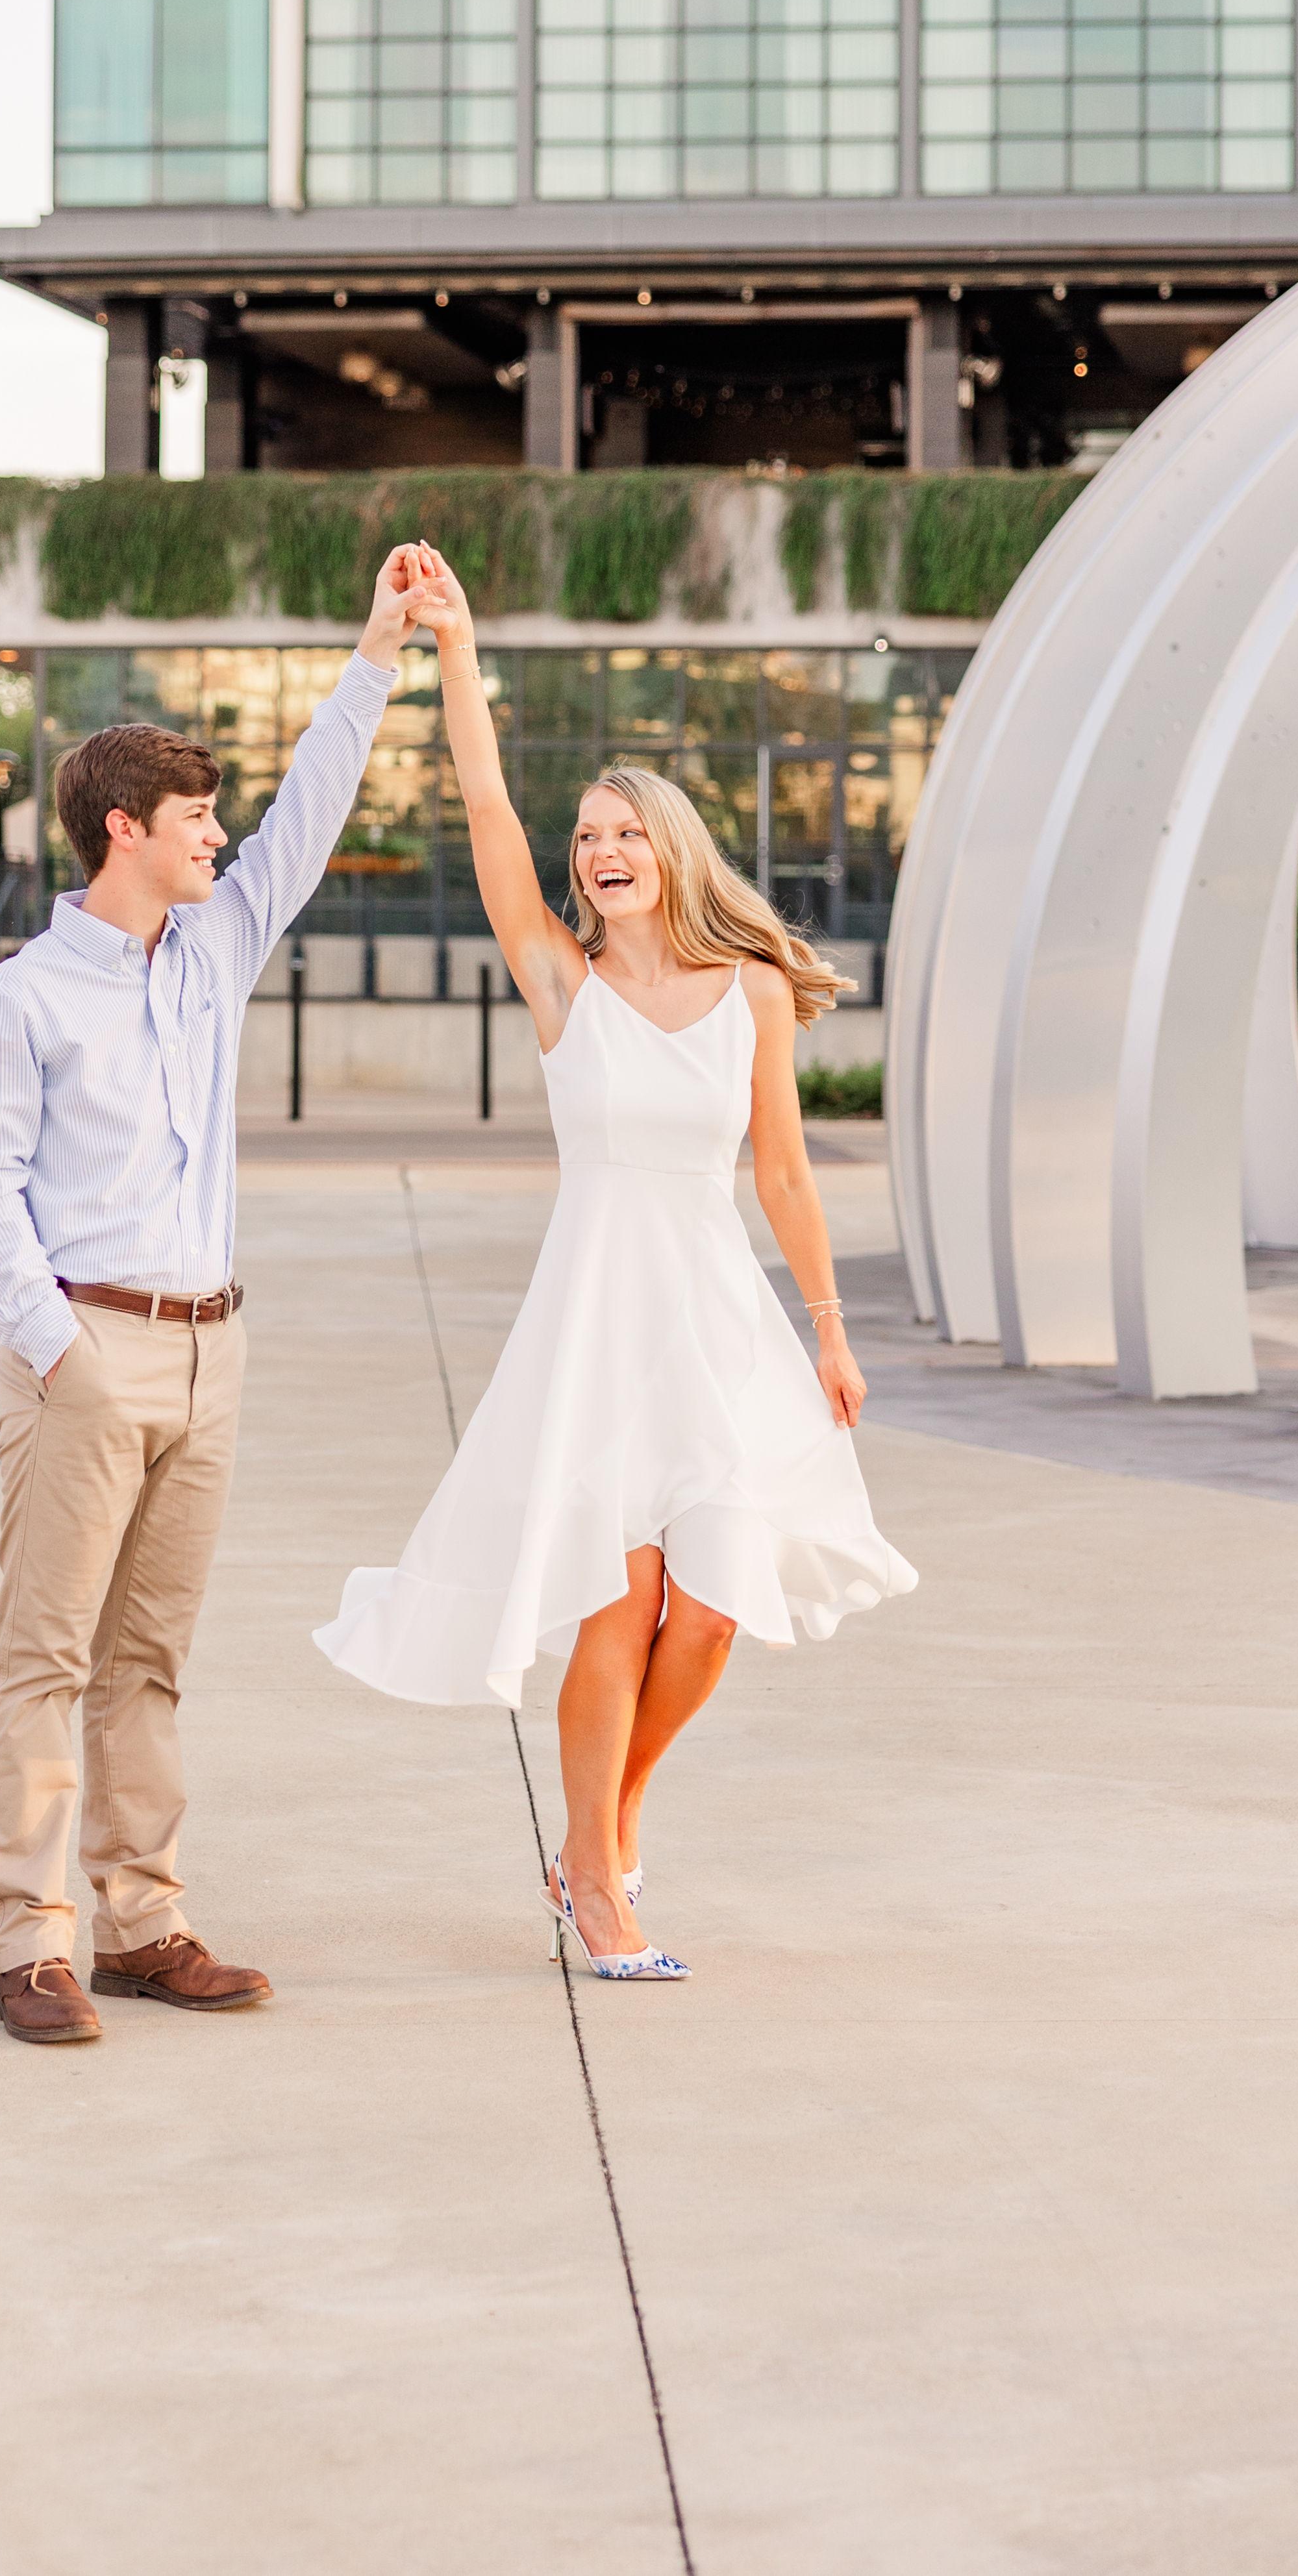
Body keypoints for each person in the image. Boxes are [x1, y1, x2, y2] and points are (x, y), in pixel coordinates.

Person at [315, 546, 917, 1980]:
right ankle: (596, 1879)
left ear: (670, 850)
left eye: (625, 833)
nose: (601, 851)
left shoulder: (749, 989)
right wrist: (455, 648)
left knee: (707, 1613)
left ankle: (614, 1816)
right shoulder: (560, 982)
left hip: (712, 1330)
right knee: (618, 1599)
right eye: (587, 835)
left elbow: (782, 1172)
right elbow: (482, 802)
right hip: (595, 1331)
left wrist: (829, 1328)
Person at [0, 547, 427, 2045]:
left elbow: (311, 811)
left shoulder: (212, 949)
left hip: (212, 1352)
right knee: (46, 1655)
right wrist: (58, 1349)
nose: (222, 836)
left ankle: (142, 1924)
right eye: (197, 817)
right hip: (87, 1349)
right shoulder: (19, 1002)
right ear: (123, 829)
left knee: (147, 1660)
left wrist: (376, 654)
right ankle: (30, 1946)